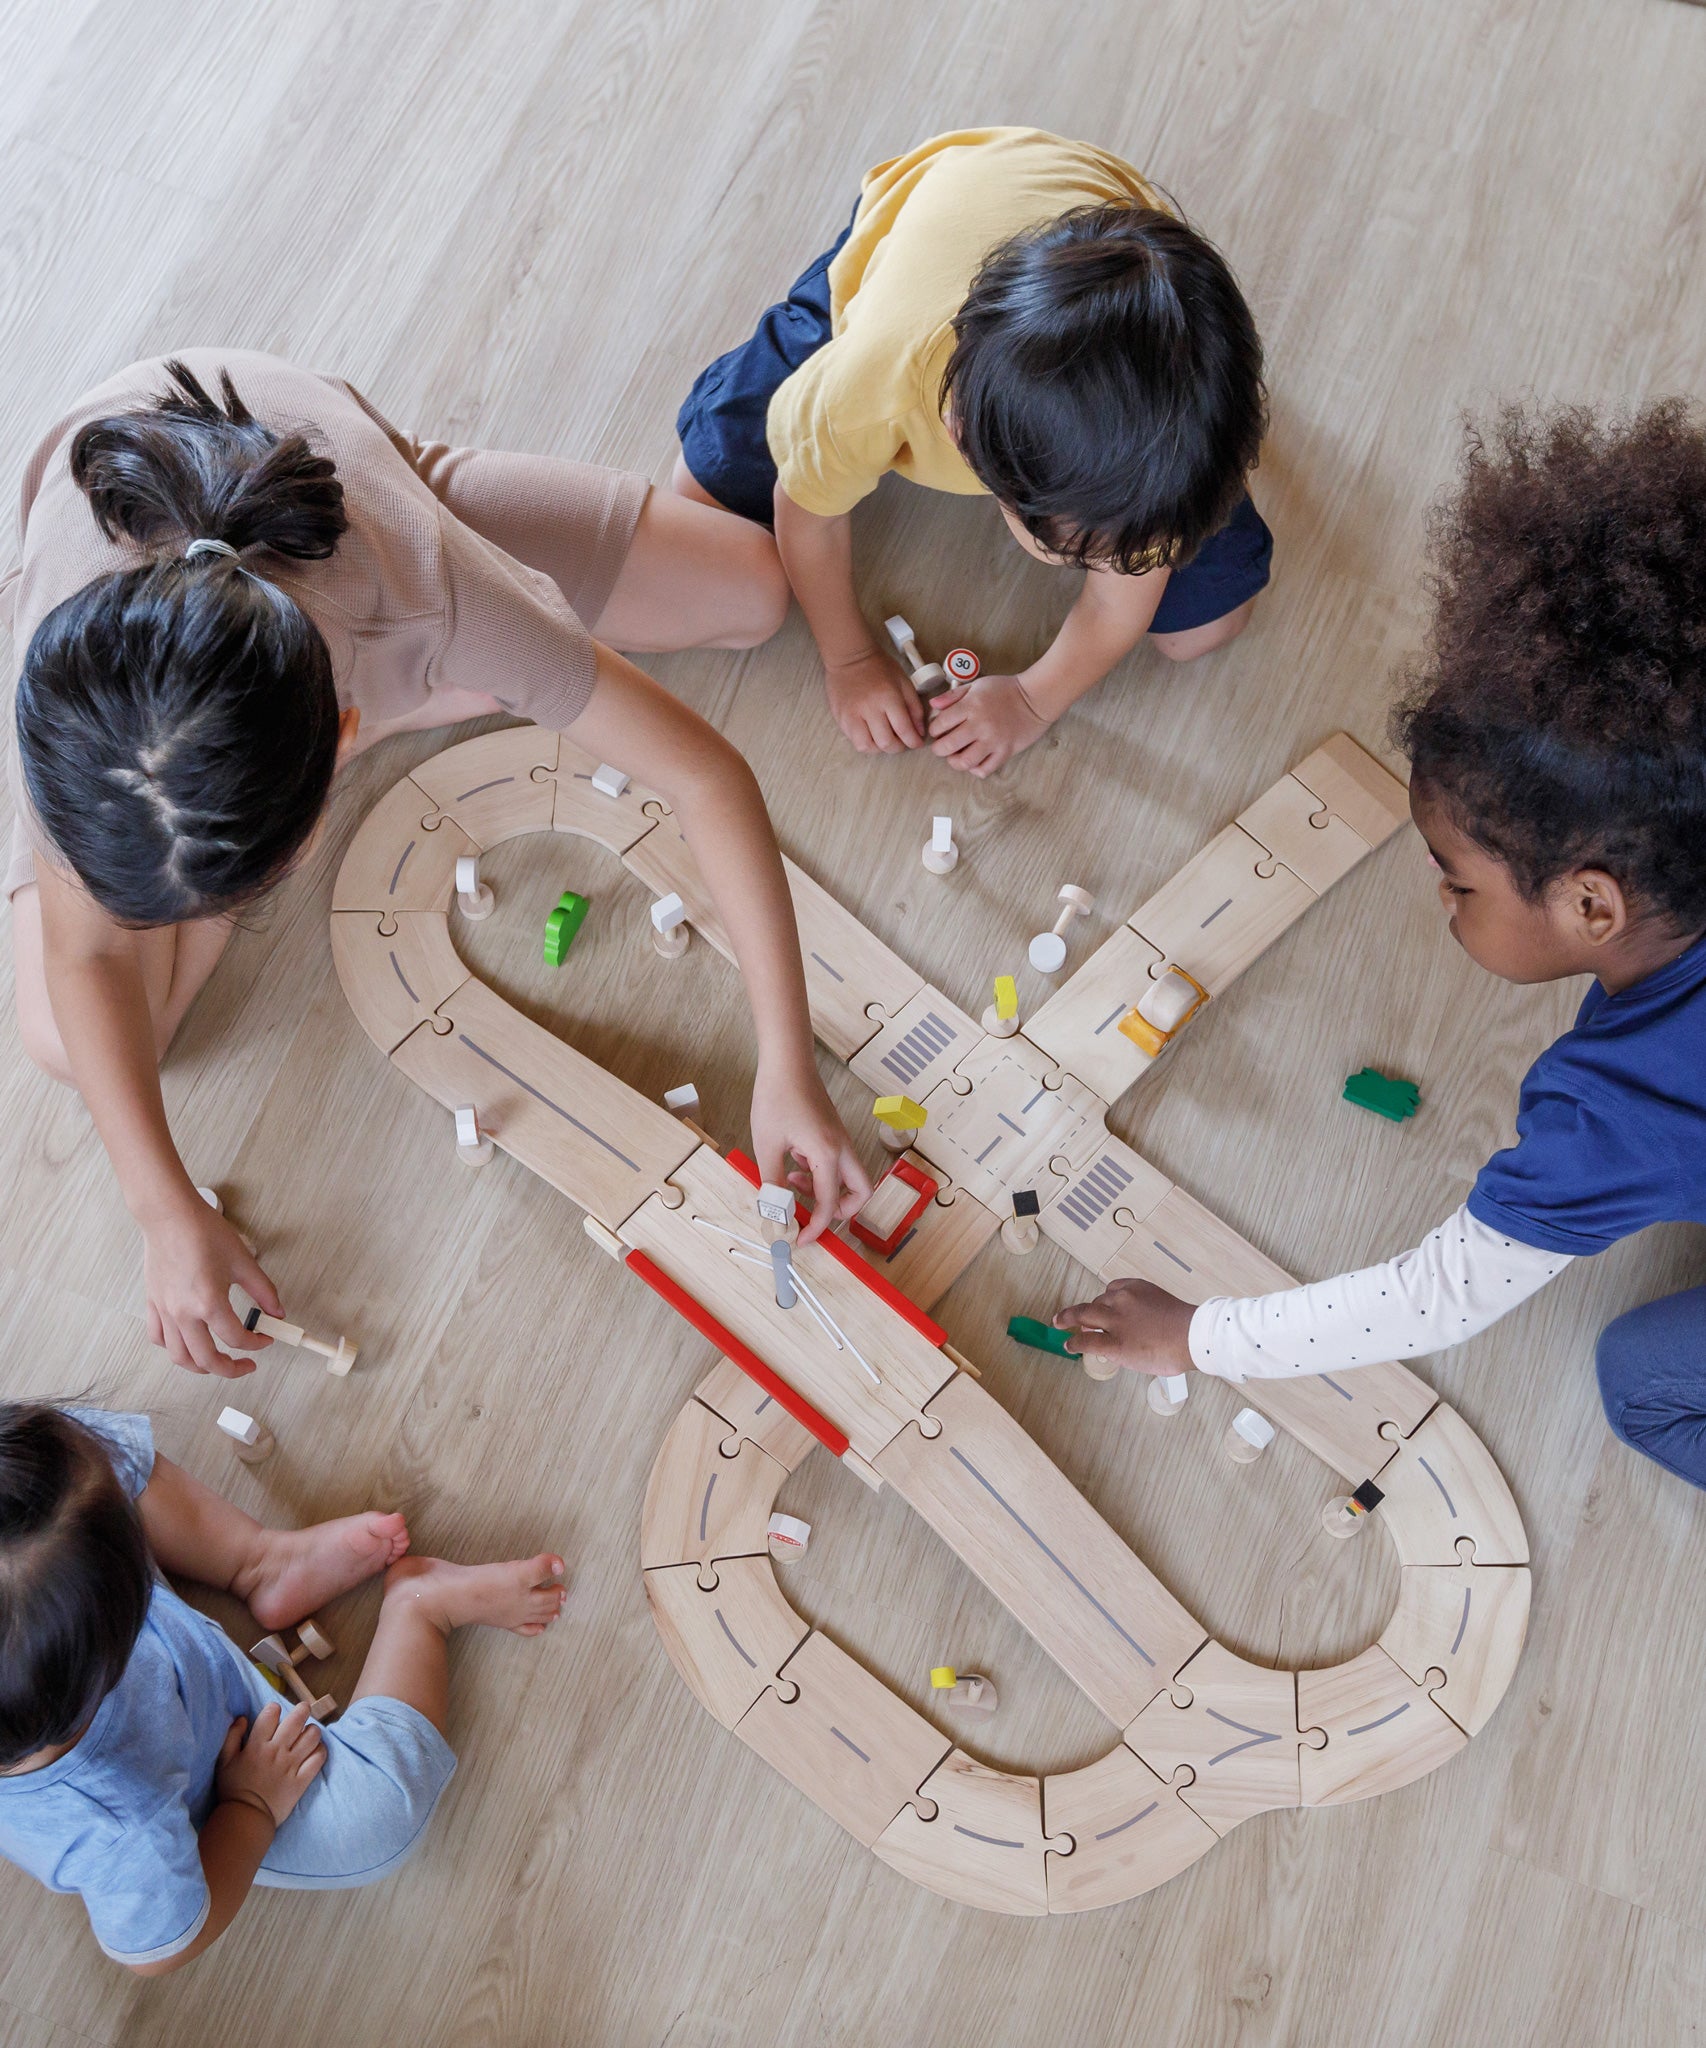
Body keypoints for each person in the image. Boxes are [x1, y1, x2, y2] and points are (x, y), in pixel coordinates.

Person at [3, 353, 869, 1377]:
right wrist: (161, 1207)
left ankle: (418, 695)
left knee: (751, 592)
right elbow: (86, 952)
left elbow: (708, 778)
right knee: (69, 1038)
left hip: (360, 496)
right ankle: (429, 700)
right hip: (195, 626)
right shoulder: (79, 724)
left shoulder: (434, 588)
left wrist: (785, 1058)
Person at [1055, 402, 1706, 1490]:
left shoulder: (1611, 1114)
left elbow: (1434, 1295)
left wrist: (1194, 1334)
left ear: (1591, 905)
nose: (1440, 899)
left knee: (1641, 1381)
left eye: (1458, 880)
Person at [674, 126, 1269, 774]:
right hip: (918, 222)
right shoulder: (872, 389)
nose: (1107, 570)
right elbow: (806, 519)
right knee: (701, 503)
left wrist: (1033, 701)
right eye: (1076, 555)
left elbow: (1118, 599)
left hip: (1111, 253)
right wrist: (849, 659)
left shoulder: (1155, 469)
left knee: (1205, 629)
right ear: (964, 441)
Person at [0, 1401, 565, 1970]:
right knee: (378, 1817)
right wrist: (251, 1807)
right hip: (227, 1776)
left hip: (66, 1603)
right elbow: (165, 1947)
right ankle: (421, 1607)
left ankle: (258, 1562)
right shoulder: (121, 1830)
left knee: (67, 1455)